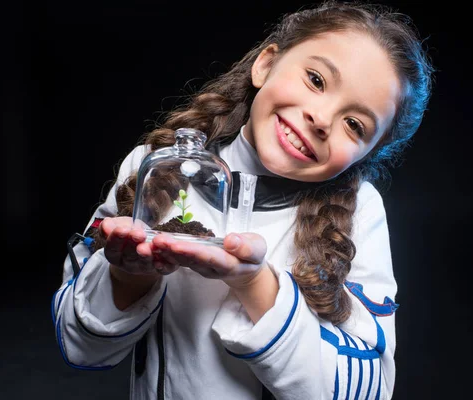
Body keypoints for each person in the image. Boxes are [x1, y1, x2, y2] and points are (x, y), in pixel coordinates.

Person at [51, 1, 434, 398]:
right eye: (316, 80)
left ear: (366, 154)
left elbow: (365, 392)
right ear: (266, 64)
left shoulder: (360, 213)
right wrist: (130, 274)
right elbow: (79, 345)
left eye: (354, 125)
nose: (321, 119)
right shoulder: (154, 166)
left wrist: (254, 283)